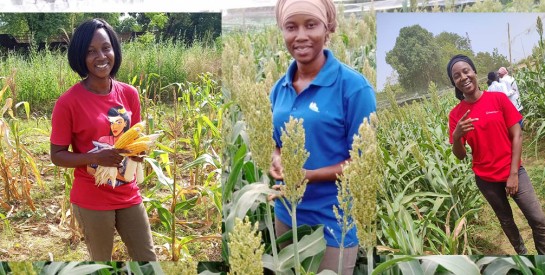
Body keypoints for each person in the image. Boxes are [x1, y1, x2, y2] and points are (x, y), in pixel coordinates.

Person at [269, 0, 376, 272]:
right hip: (287, 216)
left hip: (333, 221)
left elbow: (364, 162)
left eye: (311, 25)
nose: (301, 36)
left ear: (327, 28)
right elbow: (275, 143)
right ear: (282, 31)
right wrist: (276, 158)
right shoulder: (278, 89)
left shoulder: (353, 87)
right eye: (291, 27)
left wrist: (306, 175)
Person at [50, 18, 156, 261]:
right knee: (102, 261)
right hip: (92, 197)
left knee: (147, 258)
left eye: (106, 48)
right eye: (91, 51)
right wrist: (96, 157)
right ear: (80, 56)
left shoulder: (129, 93)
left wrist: (139, 154)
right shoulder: (68, 102)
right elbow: (57, 155)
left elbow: (135, 139)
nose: (101, 56)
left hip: (128, 191)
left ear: (115, 51)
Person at [448, 54, 545, 254]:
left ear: (474, 72)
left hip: (514, 170)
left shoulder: (498, 98)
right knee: (506, 220)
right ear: (454, 83)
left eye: (466, 71)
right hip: (486, 179)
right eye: (456, 75)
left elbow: (517, 135)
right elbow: (460, 156)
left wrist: (513, 174)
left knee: (539, 220)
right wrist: (457, 136)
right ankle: (523, 255)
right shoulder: (456, 115)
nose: (463, 77)